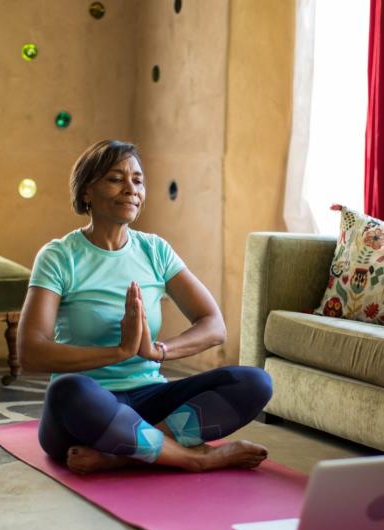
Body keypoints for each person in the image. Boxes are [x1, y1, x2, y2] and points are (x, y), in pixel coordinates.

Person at [18, 139, 272, 474]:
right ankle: (193, 458)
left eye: (137, 180)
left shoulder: (155, 250)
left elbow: (213, 324)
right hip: (90, 407)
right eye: (115, 179)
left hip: (150, 398)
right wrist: (118, 352)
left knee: (255, 382)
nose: (131, 189)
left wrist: (157, 351)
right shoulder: (59, 256)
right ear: (86, 192)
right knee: (69, 389)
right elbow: (30, 351)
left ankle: (122, 454)